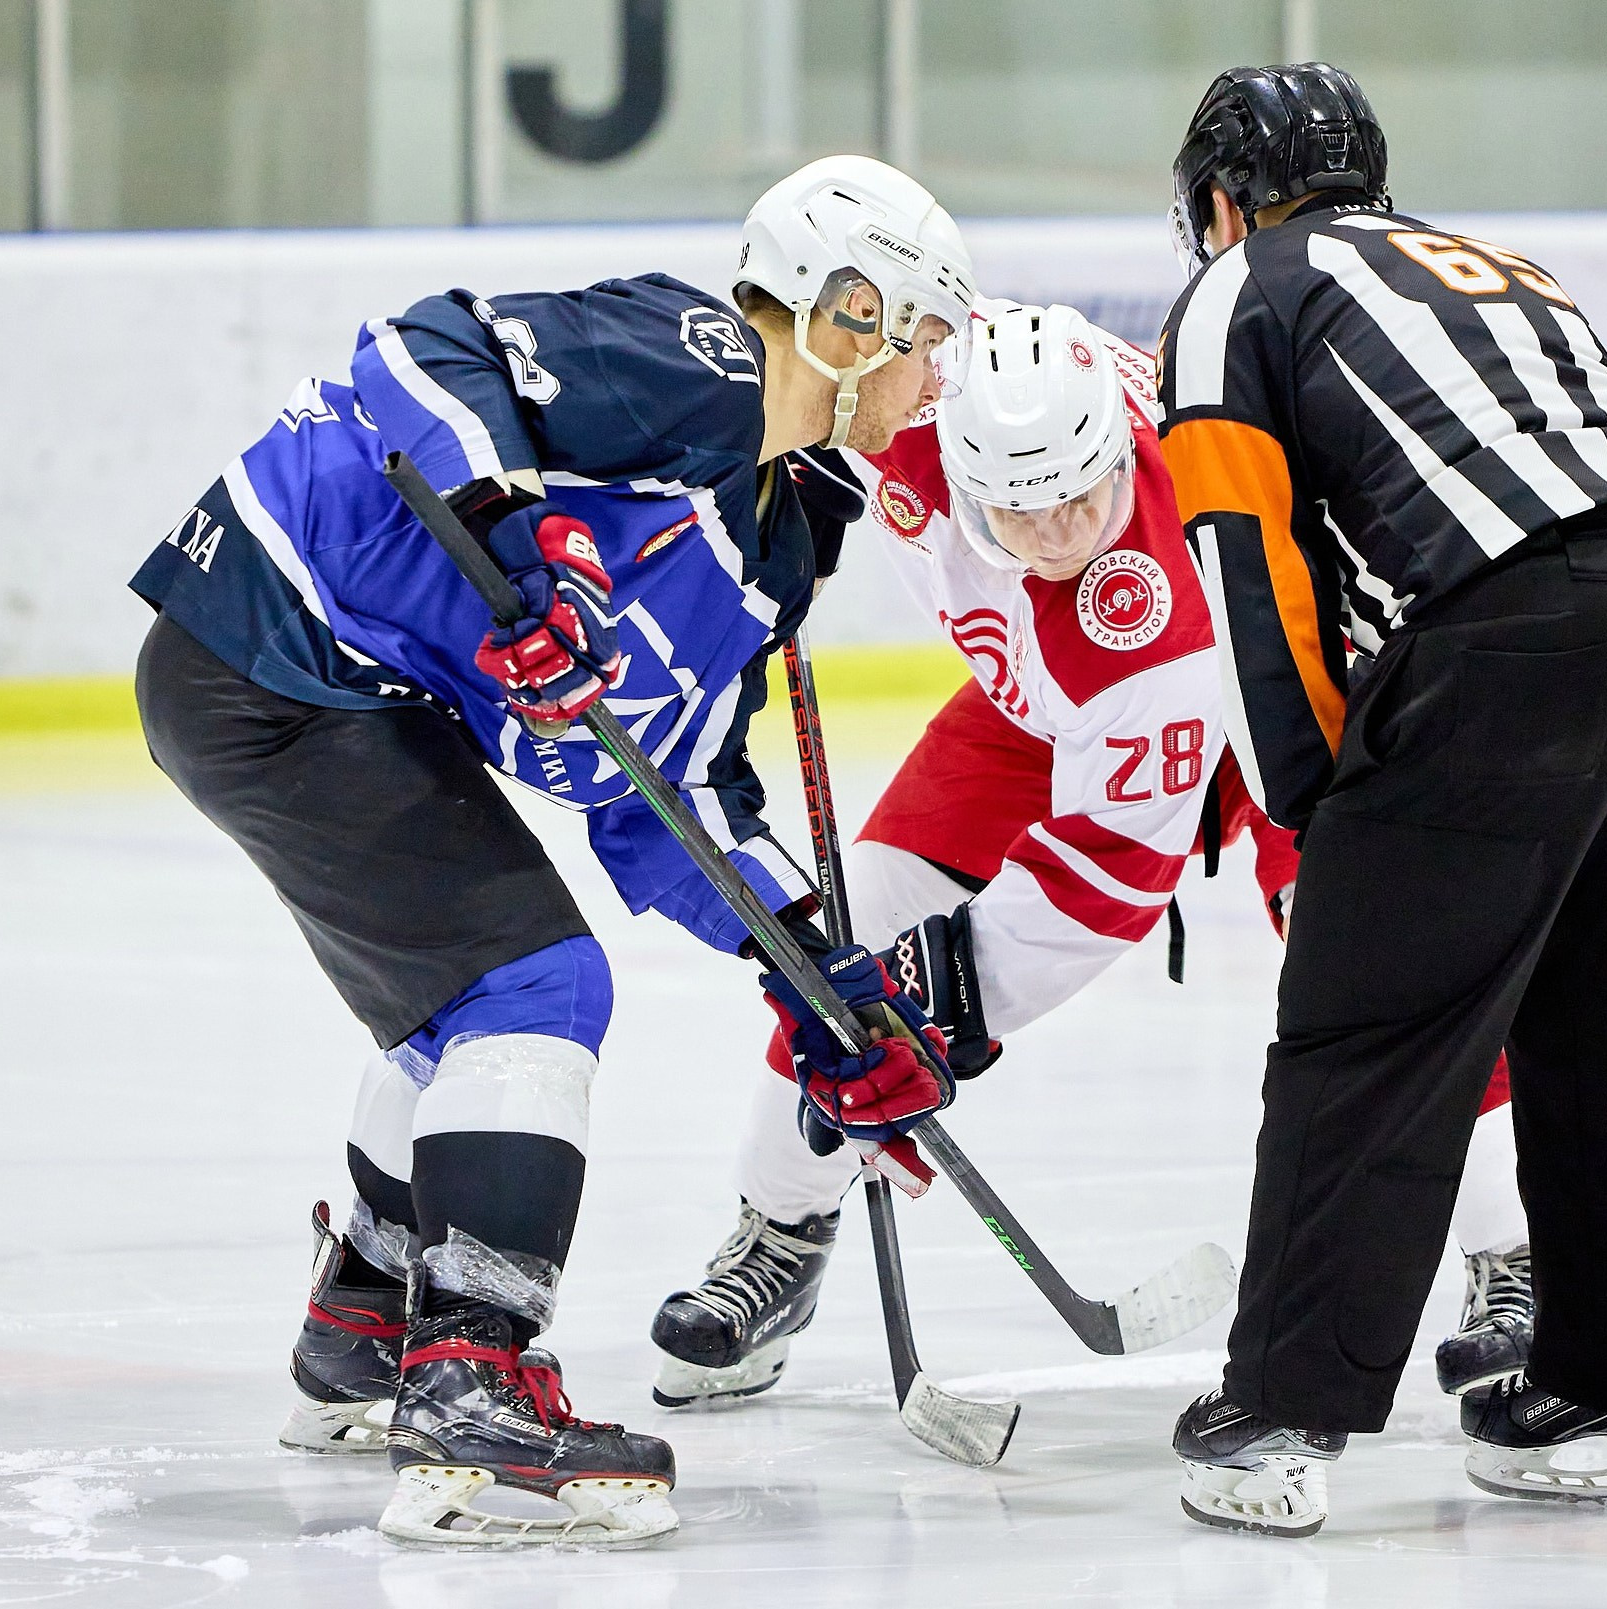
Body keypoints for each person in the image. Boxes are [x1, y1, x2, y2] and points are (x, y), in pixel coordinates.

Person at [126, 155, 975, 1548]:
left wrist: (820, 974)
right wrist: (515, 536)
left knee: (464, 1002)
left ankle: (367, 1323)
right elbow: (419, 352)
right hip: (273, 638)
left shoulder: (776, 540)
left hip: (335, 692)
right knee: (530, 990)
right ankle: (472, 1383)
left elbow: (672, 796)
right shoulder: (696, 360)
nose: (933, 376)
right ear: (850, 311)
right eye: (925, 336)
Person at [643, 300, 1532, 1411]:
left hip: (1287, 690)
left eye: (1082, 495)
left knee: (1378, 961)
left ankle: (1518, 1253)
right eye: (1022, 510)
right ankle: (781, 1232)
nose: (1061, 532)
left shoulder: (1146, 616)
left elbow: (1103, 883)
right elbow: (806, 367)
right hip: (1048, 709)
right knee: (851, 929)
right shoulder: (917, 388)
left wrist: (934, 1008)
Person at [1156, 65, 1607, 1536]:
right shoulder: (1504, 266)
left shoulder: (1238, 290)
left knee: (1364, 1035)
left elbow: (1249, 566)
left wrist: (1315, 803)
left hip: (1510, 650)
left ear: (1224, 199)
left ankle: (1280, 1412)